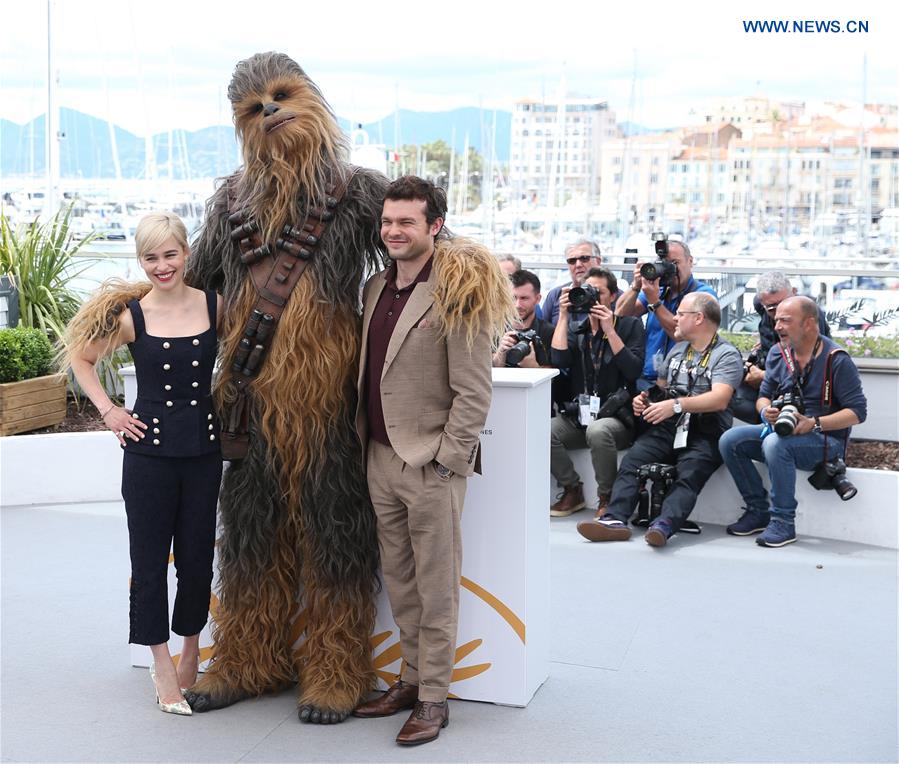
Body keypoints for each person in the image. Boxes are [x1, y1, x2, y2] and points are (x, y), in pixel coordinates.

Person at [183, 52, 387, 724]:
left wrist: (470, 271)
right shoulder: (230, 203)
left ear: (312, 97)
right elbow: (191, 290)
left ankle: (336, 669)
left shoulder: (356, 194)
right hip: (249, 407)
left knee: (337, 542)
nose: (268, 111)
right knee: (248, 541)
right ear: (241, 127)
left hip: (330, 413)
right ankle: (246, 659)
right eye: (252, 108)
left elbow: (419, 251)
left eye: (279, 94)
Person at [352, 176, 510, 746]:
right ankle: (409, 679)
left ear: (434, 226)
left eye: (406, 222)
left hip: (430, 466)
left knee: (436, 586)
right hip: (378, 457)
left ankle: (434, 700)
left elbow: (474, 390)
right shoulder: (374, 287)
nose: (393, 231)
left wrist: (447, 462)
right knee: (400, 581)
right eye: (388, 222)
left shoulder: (458, 288)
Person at [64, 212, 223, 716]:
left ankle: (192, 645)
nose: (161, 266)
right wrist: (110, 411)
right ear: (141, 260)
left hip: (204, 451)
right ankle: (159, 662)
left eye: (170, 254)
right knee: (150, 562)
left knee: (197, 559)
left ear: (186, 254)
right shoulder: (133, 316)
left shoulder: (217, 306)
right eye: (151, 257)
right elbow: (80, 359)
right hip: (149, 456)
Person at [578, 293, 743, 547]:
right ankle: (614, 519)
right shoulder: (677, 350)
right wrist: (645, 402)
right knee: (633, 461)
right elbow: (661, 391)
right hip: (670, 426)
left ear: (699, 318)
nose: (675, 317)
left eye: (681, 313)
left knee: (689, 474)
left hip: (706, 431)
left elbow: (720, 399)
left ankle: (664, 524)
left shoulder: (726, 355)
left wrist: (677, 405)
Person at [719, 296, 867, 547]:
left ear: (809, 323)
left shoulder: (836, 359)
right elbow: (763, 397)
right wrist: (766, 412)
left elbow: (858, 412)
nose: (777, 327)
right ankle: (758, 511)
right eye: (776, 321)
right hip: (785, 431)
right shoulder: (778, 353)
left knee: (776, 444)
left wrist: (814, 423)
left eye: (786, 321)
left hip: (826, 441)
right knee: (730, 440)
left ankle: (784, 523)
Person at [548, 267, 645, 518]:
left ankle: (608, 497)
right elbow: (558, 358)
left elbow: (633, 370)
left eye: (598, 293)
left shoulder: (630, 326)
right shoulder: (577, 330)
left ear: (612, 296)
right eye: (586, 291)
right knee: (542, 430)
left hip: (616, 420)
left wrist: (609, 329)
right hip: (581, 417)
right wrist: (563, 316)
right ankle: (572, 489)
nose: (591, 298)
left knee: (598, 429)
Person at [615, 239, 717, 391]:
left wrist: (655, 302)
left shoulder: (703, 294)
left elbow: (682, 335)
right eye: (665, 263)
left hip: (683, 382)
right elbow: (620, 314)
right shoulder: (659, 290)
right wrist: (636, 286)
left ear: (690, 261)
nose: (670, 269)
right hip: (647, 378)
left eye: (675, 263)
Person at [732, 271, 832, 423]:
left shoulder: (810, 316)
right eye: (772, 309)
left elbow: (813, 371)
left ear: (794, 293)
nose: (780, 311)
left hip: (795, 387)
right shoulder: (761, 304)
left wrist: (764, 376)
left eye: (783, 303)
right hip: (770, 372)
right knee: (722, 390)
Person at [493, 269, 554, 369]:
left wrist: (533, 366)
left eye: (524, 298)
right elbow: (487, 372)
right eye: (513, 298)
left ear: (537, 299)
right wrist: (500, 353)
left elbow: (553, 378)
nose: (517, 305)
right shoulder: (494, 330)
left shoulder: (548, 332)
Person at [541, 239, 603, 327]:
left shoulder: (610, 293)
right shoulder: (556, 295)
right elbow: (542, 332)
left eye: (584, 258)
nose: (578, 265)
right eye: (572, 261)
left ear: (598, 261)